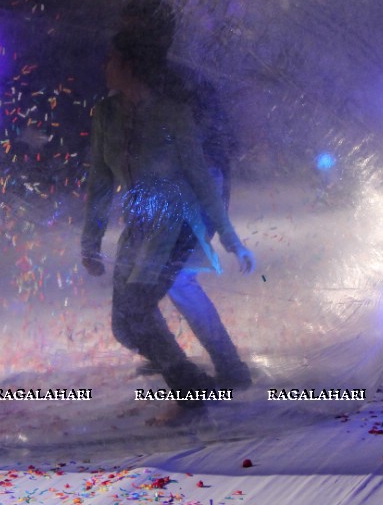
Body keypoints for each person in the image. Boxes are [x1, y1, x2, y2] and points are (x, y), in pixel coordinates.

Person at [81, 31, 254, 399]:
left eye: (111, 59)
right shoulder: (106, 115)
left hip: (177, 226)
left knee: (145, 305)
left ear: (130, 66)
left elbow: (201, 177)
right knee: (125, 326)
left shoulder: (172, 112)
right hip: (140, 227)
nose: (103, 66)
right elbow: (99, 179)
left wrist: (229, 237)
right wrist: (90, 241)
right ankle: (177, 360)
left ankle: (195, 384)